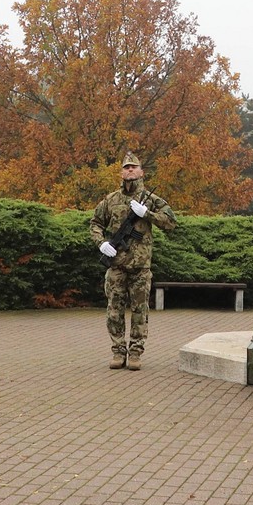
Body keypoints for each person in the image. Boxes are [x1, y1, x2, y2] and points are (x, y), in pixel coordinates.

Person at [90, 151, 177, 370]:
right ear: (121, 172)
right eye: (126, 167)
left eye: (133, 167)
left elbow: (170, 222)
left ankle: (136, 353)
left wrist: (147, 213)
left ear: (141, 172)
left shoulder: (151, 199)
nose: (130, 170)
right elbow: (95, 223)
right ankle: (118, 352)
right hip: (116, 265)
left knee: (140, 311)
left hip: (140, 267)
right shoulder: (111, 200)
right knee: (114, 311)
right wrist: (101, 243)